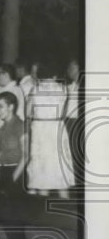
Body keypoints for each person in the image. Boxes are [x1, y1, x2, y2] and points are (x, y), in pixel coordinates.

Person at [0, 91, 27, 239]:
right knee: (6, 218)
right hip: (4, 171)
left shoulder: (20, 125)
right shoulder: (3, 126)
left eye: (0, 106)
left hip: (16, 173)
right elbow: (0, 150)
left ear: (11, 107)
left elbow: (27, 155)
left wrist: (13, 178)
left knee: (14, 219)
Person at [26, 64, 71, 197]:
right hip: (57, 127)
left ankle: (41, 205)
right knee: (59, 165)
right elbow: (64, 111)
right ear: (54, 75)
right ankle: (65, 200)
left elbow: (28, 112)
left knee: (41, 167)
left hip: (40, 129)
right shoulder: (63, 89)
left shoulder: (35, 89)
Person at [64, 59, 82, 188]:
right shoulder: (69, 86)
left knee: (77, 152)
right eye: (69, 67)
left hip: (79, 123)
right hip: (68, 122)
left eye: (72, 67)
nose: (69, 70)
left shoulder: (84, 86)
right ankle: (73, 181)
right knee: (69, 151)